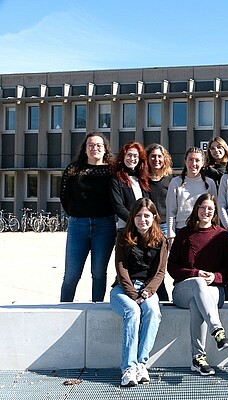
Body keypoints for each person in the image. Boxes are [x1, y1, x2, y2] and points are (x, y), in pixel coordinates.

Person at [168, 194, 228, 376]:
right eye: (203, 207)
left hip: (214, 291)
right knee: (197, 284)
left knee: (198, 303)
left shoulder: (220, 235)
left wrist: (215, 277)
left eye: (210, 209)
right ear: (196, 209)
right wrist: (195, 273)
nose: (206, 211)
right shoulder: (184, 233)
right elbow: (172, 268)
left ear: (215, 213)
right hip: (184, 290)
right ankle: (217, 330)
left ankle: (198, 359)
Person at [109, 198, 166, 387]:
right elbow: (121, 268)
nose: (143, 219)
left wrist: (147, 293)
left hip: (147, 289)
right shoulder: (123, 237)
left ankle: (141, 364)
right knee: (132, 311)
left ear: (154, 217)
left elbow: (160, 272)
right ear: (133, 217)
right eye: (139, 215)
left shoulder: (161, 240)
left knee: (153, 311)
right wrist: (133, 294)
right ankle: (128, 368)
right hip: (123, 289)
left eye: (147, 216)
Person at [60, 132, 116, 302]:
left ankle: (96, 307)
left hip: (104, 225)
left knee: (98, 272)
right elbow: (64, 196)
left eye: (99, 145)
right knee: (71, 274)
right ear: (84, 149)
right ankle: (63, 308)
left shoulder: (112, 171)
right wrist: (76, 213)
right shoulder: (73, 170)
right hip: (78, 226)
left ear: (105, 149)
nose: (94, 148)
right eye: (90, 145)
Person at [166, 147, 217, 244]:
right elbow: (171, 211)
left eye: (197, 160)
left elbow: (215, 210)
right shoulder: (176, 182)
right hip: (181, 230)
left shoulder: (209, 183)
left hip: (204, 230)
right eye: (190, 160)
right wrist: (170, 235)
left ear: (202, 163)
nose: (193, 164)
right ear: (185, 161)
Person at [111, 141, 150, 230]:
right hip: (126, 227)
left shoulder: (143, 179)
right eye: (129, 155)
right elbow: (118, 207)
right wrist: (135, 222)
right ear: (123, 157)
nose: (132, 159)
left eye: (135, 156)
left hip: (144, 227)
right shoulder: (116, 179)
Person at [145, 143, 174, 236]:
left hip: (165, 225)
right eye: (153, 156)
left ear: (164, 159)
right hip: (147, 225)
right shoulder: (142, 179)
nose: (156, 159)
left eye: (159, 156)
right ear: (147, 159)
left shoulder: (171, 179)